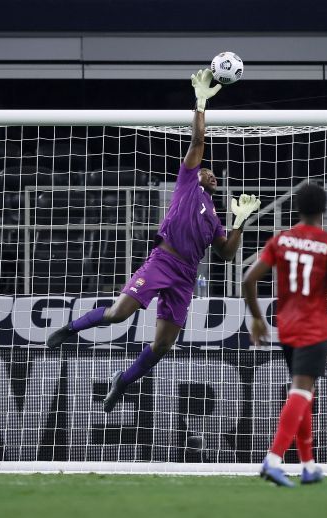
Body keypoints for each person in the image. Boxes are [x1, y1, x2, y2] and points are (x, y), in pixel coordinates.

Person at [46, 69, 261, 412]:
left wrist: (238, 222)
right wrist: (201, 102)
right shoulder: (187, 183)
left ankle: (123, 380)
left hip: (186, 276)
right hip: (162, 261)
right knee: (118, 314)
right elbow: (197, 141)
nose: (210, 171)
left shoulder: (214, 219)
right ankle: (69, 329)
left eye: (212, 171)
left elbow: (226, 254)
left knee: (163, 345)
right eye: (206, 168)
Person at [242, 183, 327, 487]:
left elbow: (248, 279)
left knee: (304, 392)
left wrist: (257, 320)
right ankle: (273, 460)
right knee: (301, 392)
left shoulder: (281, 240)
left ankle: (308, 465)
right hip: (313, 328)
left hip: (286, 327)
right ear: (324, 209)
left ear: (297, 208)